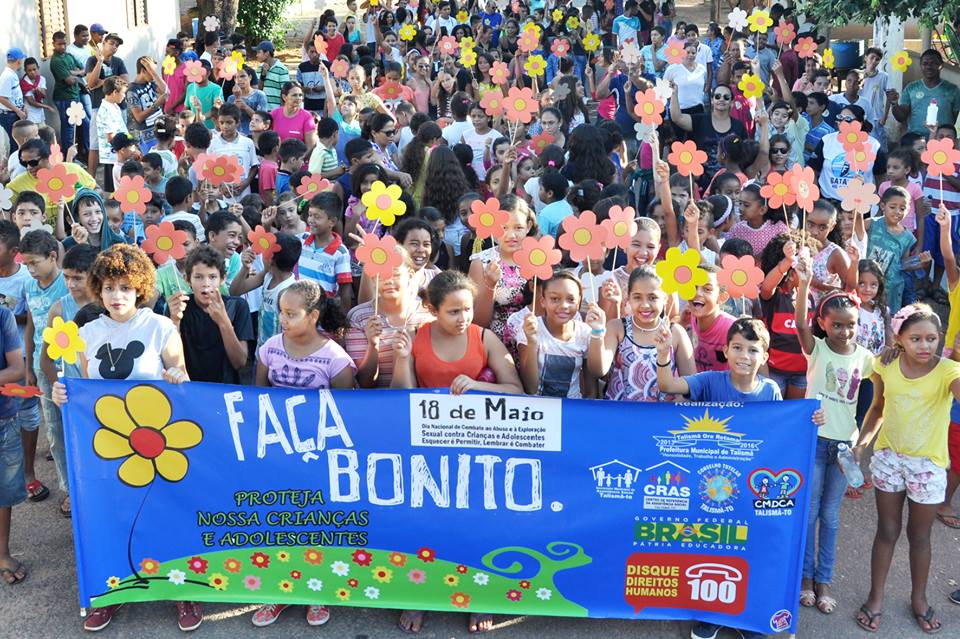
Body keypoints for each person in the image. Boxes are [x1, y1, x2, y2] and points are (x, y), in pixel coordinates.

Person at [51, 244, 197, 631]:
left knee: (164, 514)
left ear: (140, 288)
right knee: (111, 518)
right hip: (109, 445)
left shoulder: (160, 327)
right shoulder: (86, 333)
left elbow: (183, 379)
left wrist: (177, 377)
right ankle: (111, 592)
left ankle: (182, 590)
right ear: (98, 289)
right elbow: (84, 390)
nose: (117, 295)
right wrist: (63, 394)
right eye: (110, 287)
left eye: (125, 287)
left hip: (158, 444)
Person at [854, 303, 960, 634]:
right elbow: (877, 408)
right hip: (888, 459)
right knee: (886, 531)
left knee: (920, 536)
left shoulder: (949, 371)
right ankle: (875, 597)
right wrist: (861, 444)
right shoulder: (885, 365)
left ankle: (919, 599)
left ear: (940, 338)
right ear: (899, 339)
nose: (924, 346)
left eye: (931, 338)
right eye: (915, 339)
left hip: (928, 466)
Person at [794, 254, 873, 616]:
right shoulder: (818, 349)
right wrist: (804, 282)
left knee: (831, 515)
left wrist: (860, 446)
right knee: (809, 512)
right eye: (837, 325)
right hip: (814, 442)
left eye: (851, 325)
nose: (844, 331)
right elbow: (799, 322)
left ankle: (824, 580)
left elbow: (876, 397)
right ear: (823, 324)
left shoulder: (866, 358)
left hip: (844, 447)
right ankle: (805, 577)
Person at [392, 270, 523, 401]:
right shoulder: (413, 338)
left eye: (468, 309)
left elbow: (516, 389)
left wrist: (477, 386)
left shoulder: (485, 338)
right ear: (433, 310)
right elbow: (400, 397)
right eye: (454, 312)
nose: (463, 318)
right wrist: (402, 359)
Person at [37, 243, 98, 517]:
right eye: (67, 277)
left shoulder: (110, 305)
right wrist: (59, 388)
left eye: (78, 278)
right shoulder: (59, 309)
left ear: (94, 276)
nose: (71, 284)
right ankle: (73, 492)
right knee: (74, 447)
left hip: (105, 395)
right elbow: (46, 360)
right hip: (74, 398)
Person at [586, 265, 696, 401]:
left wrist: (670, 408)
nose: (645, 305)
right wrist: (597, 332)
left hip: (662, 412)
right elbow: (598, 370)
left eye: (652, 297)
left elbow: (691, 387)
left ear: (665, 299)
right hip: (618, 411)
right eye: (637, 297)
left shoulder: (676, 333)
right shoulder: (617, 327)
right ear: (628, 298)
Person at [21, 230, 66, 505]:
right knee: (55, 432)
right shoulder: (29, 286)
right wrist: (29, 368)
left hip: (70, 367)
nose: (30, 269)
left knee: (76, 428)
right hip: (42, 366)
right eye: (26, 264)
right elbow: (31, 327)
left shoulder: (68, 284)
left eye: (34, 263)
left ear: (52, 256)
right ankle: (67, 489)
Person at [167, 246, 252, 384]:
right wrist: (175, 321)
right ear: (187, 279)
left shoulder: (237, 306)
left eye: (212, 277)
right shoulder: (179, 307)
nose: (206, 284)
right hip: (190, 386)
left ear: (223, 279)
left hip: (226, 388)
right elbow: (171, 359)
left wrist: (223, 321)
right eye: (198, 277)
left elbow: (240, 363)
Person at [518, 271, 592, 398]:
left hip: (571, 406)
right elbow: (530, 388)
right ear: (543, 301)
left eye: (571, 299)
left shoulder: (584, 333)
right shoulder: (530, 328)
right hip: (538, 407)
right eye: (554, 299)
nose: (563, 306)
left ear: (579, 301)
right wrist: (532, 342)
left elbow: (591, 385)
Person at [84, 32, 128, 179]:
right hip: (98, 107)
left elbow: (125, 82)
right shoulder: (92, 60)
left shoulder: (119, 62)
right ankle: (91, 179)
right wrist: (100, 62)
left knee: (119, 141)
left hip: (118, 107)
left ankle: (118, 176)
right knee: (95, 145)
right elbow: (91, 83)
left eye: (117, 45)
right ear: (103, 43)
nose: (114, 47)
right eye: (111, 43)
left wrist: (103, 82)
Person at [889, 49, 960, 137]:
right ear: (921, 66)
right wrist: (894, 104)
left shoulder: (952, 90)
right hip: (916, 140)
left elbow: (957, 119)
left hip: (941, 140)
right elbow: (901, 117)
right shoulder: (911, 88)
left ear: (941, 66)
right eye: (925, 63)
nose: (929, 67)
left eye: (933, 63)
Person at [126, 56, 168, 153]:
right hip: (147, 137)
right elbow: (139, 117)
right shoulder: (132, 90)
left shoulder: (150, 83)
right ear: (143, 71)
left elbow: (166, 92)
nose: (154, 75)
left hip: (159, 131)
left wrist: (152, 72)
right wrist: (156, 105)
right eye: (151, 72)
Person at [227, 65, 268, 136]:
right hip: (235, 136)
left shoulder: (260, 95)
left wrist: (245, 107)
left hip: (254, 135)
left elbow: (262, 119)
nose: (239, 79)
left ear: (250, 77)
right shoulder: (231, 98)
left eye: (243, 76)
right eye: (236, 77)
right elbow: (228, 119)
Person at [0, 48, 26, 146]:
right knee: (15, 144)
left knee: (18, 143)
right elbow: (1, 97)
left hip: (14, 114)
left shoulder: (11, 74)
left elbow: (14, 95)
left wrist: (22, 106)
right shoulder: (7, 76)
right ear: (19, 61)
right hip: (9, 115)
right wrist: (18, 111)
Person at [256, 40, 290, 110]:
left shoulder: (282, 69)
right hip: (262, 111)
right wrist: (263, 75)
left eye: (259, 52)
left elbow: (285, 92)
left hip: (276, 110)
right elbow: (258, 90)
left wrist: (281, 112)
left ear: (267, 53)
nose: (257, 55)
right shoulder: (259, 68)